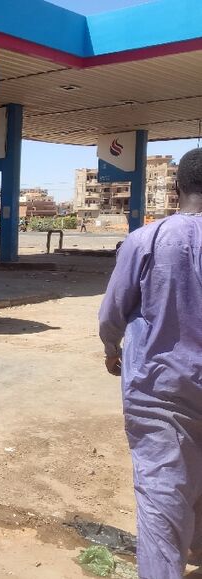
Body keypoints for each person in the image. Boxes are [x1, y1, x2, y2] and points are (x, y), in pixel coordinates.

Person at [99, 147, 202, 579]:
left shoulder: (149, 239)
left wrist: (111, 349)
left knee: (162, 493)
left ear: (176, 188)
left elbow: (112, 313)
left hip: (160, 391)